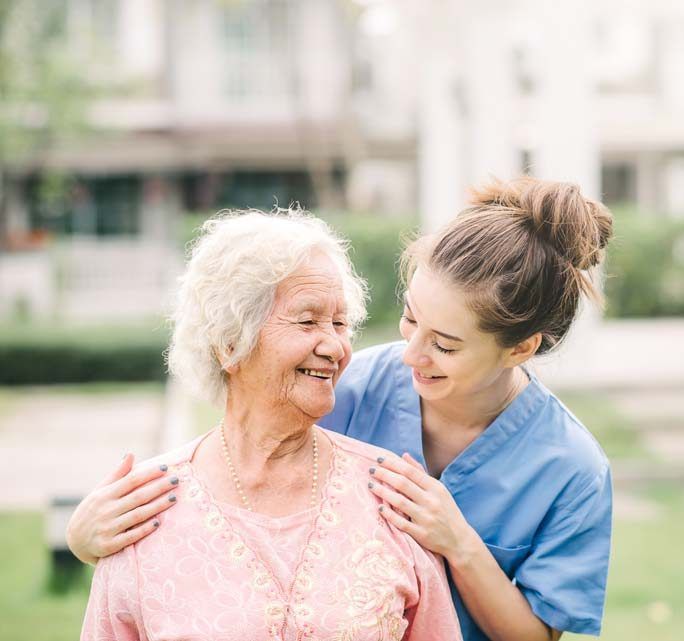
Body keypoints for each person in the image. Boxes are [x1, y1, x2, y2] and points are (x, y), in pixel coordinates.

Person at [71, 177, 613, 641]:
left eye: (444, 345)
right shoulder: (351, 384)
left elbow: (539, 635)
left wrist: (458, 542)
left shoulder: (571, 469)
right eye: (409, 318)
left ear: (521, 349)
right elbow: (246, 437)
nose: (412, 353)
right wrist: (88, 536)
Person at [79, 211, 462, 641]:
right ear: (230, 343)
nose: (335, 345)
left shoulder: (391, 495)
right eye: (307, 320)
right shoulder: (144, 511)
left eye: (340, 324)